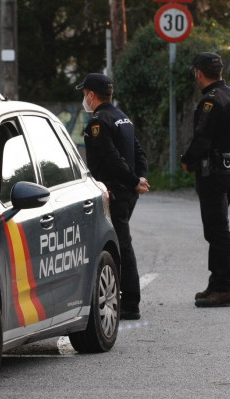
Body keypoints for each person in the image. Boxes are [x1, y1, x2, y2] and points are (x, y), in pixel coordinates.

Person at [77, 73, 150, 320]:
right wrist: (140, 178)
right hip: (127, 191)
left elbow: (110, 157)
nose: (83, 99)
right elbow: (138, 151)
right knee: (119, 244)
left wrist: (132, 180)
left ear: (92, 95)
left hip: (114, 192)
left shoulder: (98, 122)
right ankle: (124, 298)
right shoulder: (122, 118)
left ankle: (129, 303)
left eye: (84, 93)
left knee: (119, 246)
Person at [181, 52, 230, 308]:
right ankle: (216, 282)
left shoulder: (211, 101)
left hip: (212, 172)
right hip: (226, 169)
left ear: (198, 72)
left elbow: (202, 138)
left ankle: (224, 288)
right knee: (216, 229)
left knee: (217, 231)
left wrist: (187, 159)